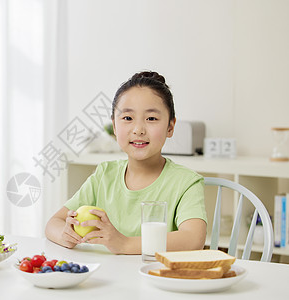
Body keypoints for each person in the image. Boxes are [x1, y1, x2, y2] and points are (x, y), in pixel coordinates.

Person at [45, 71, 207, 254]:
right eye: (128, 118)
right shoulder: (104, 175)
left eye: (151, 119)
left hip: (156, 277)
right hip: (107, 278)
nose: (138, 129)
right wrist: (66, 235)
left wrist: (124, 244)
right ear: (114, 126)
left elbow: (194, 238)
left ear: (170, 126)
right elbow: (53, 224)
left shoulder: (186, 182)